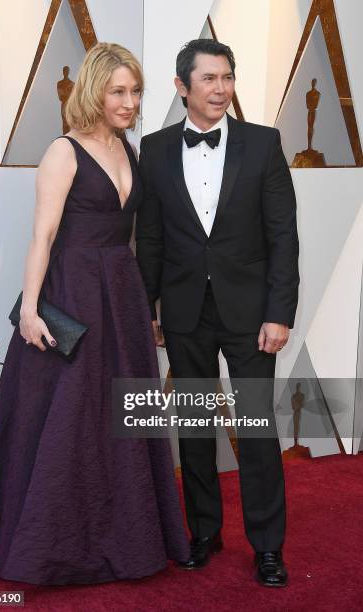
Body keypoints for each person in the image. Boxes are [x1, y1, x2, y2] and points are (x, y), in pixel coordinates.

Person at [0, 42, 189, 585]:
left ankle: (125, 534)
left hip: (122, 291)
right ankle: (53, 544)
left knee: (121, 416)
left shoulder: (128, 151)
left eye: (135, 91)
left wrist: (147, 305)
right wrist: (30, 309)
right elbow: (41, 236)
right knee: (67, 419)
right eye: (119, 91)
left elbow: (132, 236)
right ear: (94, 90)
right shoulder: (63, 152)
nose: (130, 101)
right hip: (71, 293)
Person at [136, 39, 299, 587]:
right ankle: (204, 531)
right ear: (182, 86)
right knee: (195, 426)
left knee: (256, 429)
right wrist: (149, 306)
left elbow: (283, 236)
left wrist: (279, 312)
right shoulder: (155, 149)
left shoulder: (263, 144)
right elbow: (151, 239)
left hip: (251, 313)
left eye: (227, 77)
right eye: (208, 79)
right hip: (183, 310)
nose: (221, 88)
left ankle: (268, 547)